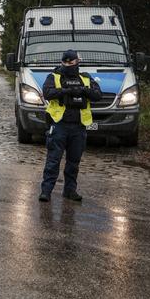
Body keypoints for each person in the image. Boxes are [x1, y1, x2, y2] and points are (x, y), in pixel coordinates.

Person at [38, 49, 102, 202]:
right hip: (59, 125)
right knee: (53, 160)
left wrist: (83, 90)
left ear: (77, 62)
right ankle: (46, 191)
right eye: (65, 62)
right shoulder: (53, 77)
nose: (67, 65)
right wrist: (66, 91)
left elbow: (98, 95)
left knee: (74, 161)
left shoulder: (85, 78)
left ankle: (70, 190)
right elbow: (47, 93)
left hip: (78, 126)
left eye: (71, 62)